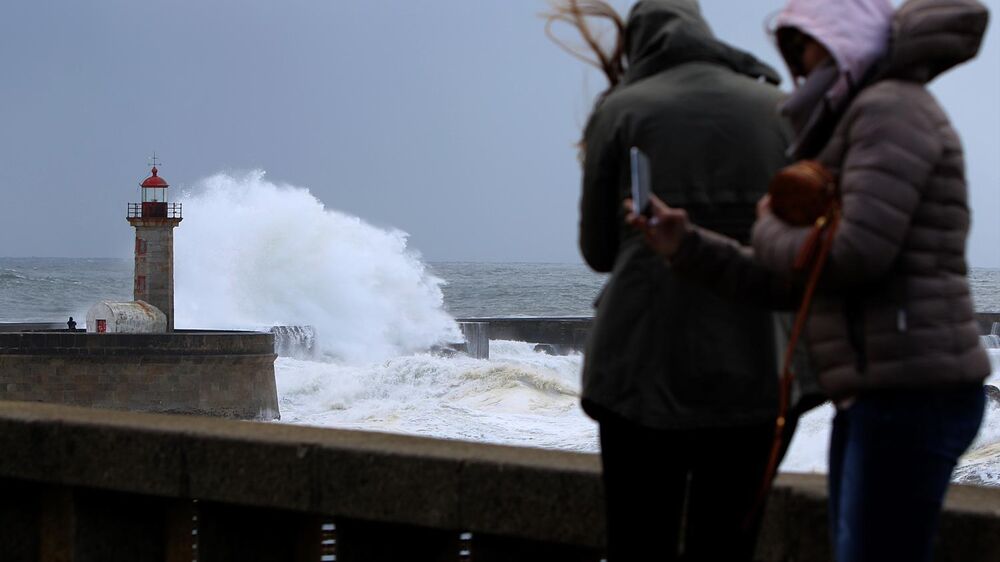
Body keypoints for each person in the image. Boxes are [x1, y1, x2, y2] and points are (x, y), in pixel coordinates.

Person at [629, 0, 991, 560]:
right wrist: (688, 245)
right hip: (883, 389)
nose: (801, 62)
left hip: (912, 391)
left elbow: (853, 254)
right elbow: (799, 282)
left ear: (848, 42)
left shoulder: (888, 111)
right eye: (792, 47)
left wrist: (769, 222)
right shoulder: (858, 117)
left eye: (811, 43)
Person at [547, 1, 792, 559]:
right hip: (757, 361)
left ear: (639, 43)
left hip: (641, 365)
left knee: (640, 541)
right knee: (727, 544)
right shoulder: (779, 107)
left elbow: (599, 252)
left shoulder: (621, 109)